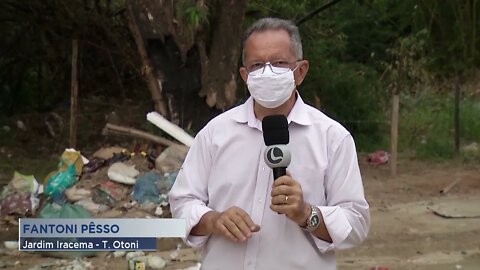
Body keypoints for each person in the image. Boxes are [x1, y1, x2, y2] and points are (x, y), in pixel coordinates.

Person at [168, 17, 370, 270]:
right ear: (244, 75)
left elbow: (357, 224)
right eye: (257, 65)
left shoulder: (332, 138)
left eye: (279, 63)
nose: (267, 72)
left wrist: (307, 214)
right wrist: (212, 220)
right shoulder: (214, 134)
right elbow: (181, 202)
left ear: (301, 71)